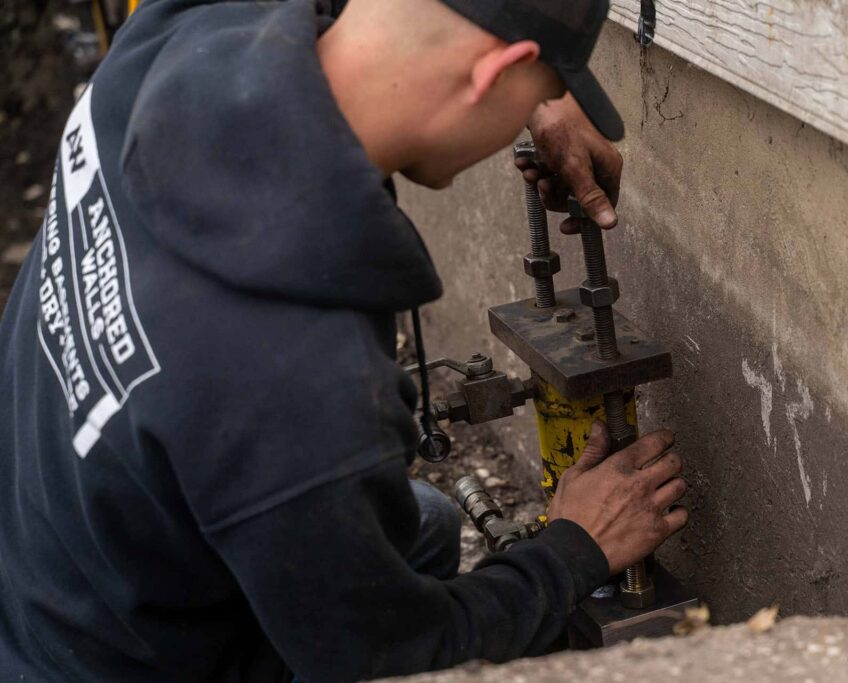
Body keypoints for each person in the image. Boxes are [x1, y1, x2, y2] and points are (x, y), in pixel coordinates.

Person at [0, 0, 689, 680]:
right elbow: (391, 655)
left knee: (425, 524)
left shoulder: (187, 25)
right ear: (490, 73)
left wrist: (533, 92)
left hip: (43, 548)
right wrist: (574, 548)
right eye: (534, 94)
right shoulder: (298, 377)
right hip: (105, 663)